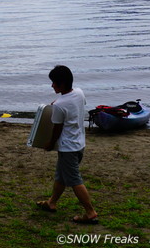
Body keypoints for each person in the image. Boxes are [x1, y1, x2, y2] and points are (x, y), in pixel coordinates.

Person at [36, 65, 99, 224]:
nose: (52, 86)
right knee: (61, 176)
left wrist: (50, 143)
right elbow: (72, 103)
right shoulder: (79, 92)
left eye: (54, 83)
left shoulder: (58, 105)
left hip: (68, 148)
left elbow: (57, 128)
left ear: (61, 84)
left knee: (74, 180)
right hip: (79, 144)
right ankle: (51, 202)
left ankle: (90, 212)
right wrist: (59, 100)